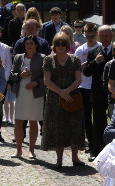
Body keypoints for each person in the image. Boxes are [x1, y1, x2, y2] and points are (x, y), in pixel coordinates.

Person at [41, 32, 85, 167]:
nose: (60, 46)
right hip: (55, 99)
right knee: (57, 129)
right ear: (54, 45)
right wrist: (60, 92)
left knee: (74, 126)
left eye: (63, 44)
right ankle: (59, 159)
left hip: (72, 97)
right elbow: (46, 80)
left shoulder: (75, 60)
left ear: (67, 45)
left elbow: (78, 78)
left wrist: (68, 91)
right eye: (58, 44)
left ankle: (75, 158)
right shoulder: (49, 60)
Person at [9, 35, 44, 159]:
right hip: (21, 92)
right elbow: (12, 75)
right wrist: (20, 75)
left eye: (31, 43)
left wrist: (36, 82)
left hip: (35, 94)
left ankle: (31, 150)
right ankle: (18, 150)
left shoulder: (42, 58)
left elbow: (46, 76)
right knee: (18, 121)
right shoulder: (18, 58)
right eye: (27, 43)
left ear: (36, 45)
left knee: (33, 121)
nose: (29, 46)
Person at [83, 24, 113, 158]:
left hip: (113, 92)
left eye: (107, 35)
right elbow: (86, 71)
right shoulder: (94, 52)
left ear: (111, 36)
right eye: (102, 36)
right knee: (98, 122)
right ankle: (97, 151)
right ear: (98, 36)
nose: (105, 38)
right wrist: (95, 62)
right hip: (98, 92)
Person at [74, 23, 100, 155]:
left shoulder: (100, 47)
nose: (90, 39)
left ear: (96, 34)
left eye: (92, 36)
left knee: (97, 117)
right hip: (83, 86)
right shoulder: (80, 50)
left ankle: (97, 142)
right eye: (87, 36)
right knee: (86, 118)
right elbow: (77, 68)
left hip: (96, 86)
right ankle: (90, 142)